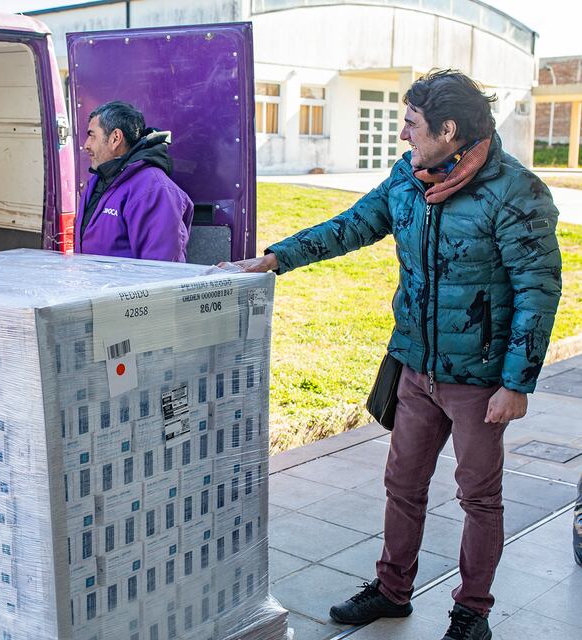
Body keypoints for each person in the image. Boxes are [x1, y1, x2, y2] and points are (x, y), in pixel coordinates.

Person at [229, 70, 561, 640]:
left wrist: (517, 381)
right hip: (415, 367)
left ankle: (471, 612)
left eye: (411, 124)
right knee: (401, 485)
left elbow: (538, 288)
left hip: (479, 380)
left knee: (479, 497)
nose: (402, 135)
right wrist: (276, 258)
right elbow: (352, 226)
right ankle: (391, 590)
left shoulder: (515, 191)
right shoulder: (406, 179)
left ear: (448, 130)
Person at [76, 101, 194, 261]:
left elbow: (161, 270)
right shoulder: (98, 180)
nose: (86, 145)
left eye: (92, 136)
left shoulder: (154, 189)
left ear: (115, 138)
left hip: (126, 287)